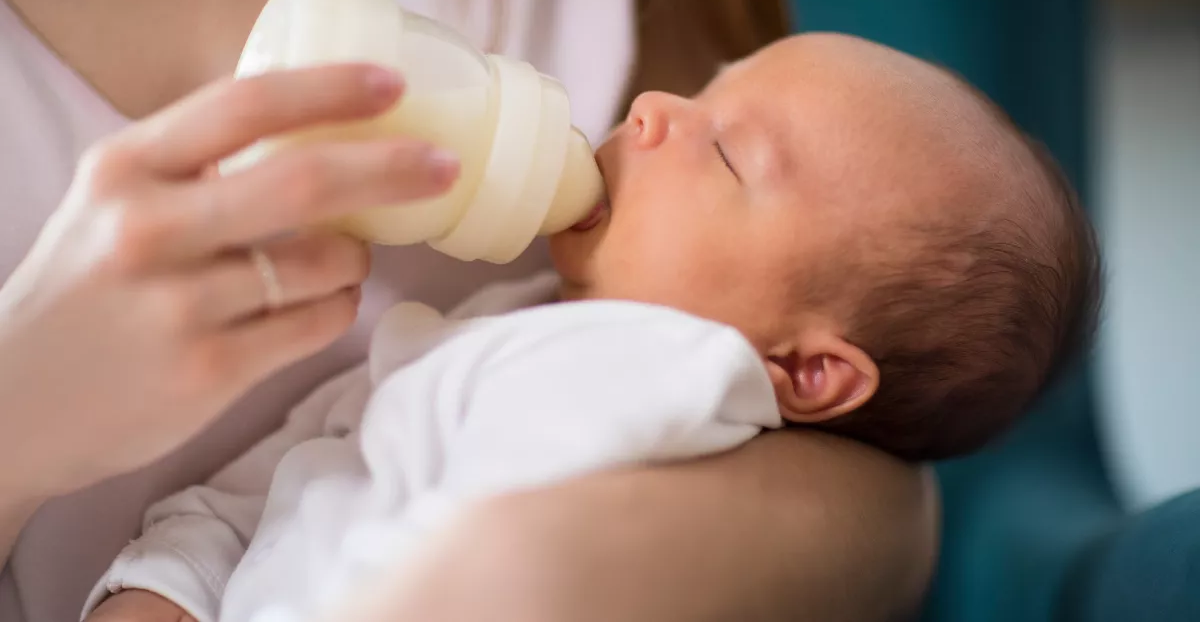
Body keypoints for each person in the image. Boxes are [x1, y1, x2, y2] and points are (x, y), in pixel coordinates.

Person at [81, 33, 1101, 622]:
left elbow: (479, 574)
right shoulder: (499, 324)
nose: (654, 108)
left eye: (730, 156)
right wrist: (161, 589)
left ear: (805, 368)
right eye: (706, 91)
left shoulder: (671, 381)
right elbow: (269, 489)